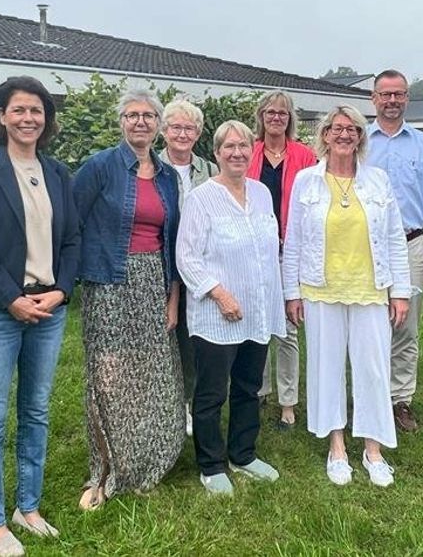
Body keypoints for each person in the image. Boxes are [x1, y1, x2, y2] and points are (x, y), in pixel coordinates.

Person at [0, 76, 80, 557]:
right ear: (2, 116)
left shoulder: (58, 173)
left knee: (36, 411)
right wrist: (11, 298)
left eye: (37, 110)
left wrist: (62, 291)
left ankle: (27, 507)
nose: (29, 118)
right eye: (19, 109)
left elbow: (72, 240)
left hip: (48, 309)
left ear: (46, 119)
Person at [282, 106, 410, 487]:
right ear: (325, 135)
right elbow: (294, 239)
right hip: (320, 289)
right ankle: (336, 447)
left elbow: (394, 237)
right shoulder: (306, 181)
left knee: (373, 369)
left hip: (370, 289)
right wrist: (292, 293)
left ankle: (373, 450)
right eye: (337, 128)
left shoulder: (378, 181)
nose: (344, 134)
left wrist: (400, 292)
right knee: (327, 366)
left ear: (360, 137)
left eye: (352, 128)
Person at [73, 89, 183, 510]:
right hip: (109, 281)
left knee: (151, 374)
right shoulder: (100, 167)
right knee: (109, 376)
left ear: (158, 124)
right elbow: (71, 221)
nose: (140, 122)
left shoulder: (167, 176)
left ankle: (145, 463)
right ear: (121, 122)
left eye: (148, 116)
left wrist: (172, 299)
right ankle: (104, 471)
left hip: (155, 281)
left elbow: (171, 240)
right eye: (132, 115)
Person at [176, 119, 287, 495]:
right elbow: (186, 257)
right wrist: (220, 294)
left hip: (256, 311)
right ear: (217, 153)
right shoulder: (201, 198)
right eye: (229, 147)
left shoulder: (261, 193)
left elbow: (268, 250)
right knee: (211, 393)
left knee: (248, 387)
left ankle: (243, 454)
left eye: (243, 146)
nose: (237, 153)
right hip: (216, 315)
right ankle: (211, 465)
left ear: (251, 151)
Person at [364, 69, 423, 432]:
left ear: (407, 98)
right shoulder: (360, 140)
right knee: (368, 325)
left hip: (412, 243)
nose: (392, 100)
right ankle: (369, 397)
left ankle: (400, 399)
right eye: (385, 94)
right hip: (365, 247)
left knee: (405, 326)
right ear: (374, 99)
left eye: (398, 94)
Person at [246, 89, 316, 430]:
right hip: (255, 249)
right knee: (258, 322)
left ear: (290, 119)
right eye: (270, 112)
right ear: (261, 117)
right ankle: (258, 390)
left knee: (288, 327)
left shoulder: (304, 155)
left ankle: (288, 402)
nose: (276, 117)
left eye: (282, 113)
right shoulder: (249, 152)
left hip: (291, 249)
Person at [158, 99, 219, 436]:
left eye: (189, 128)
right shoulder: (152, 167)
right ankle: (169, 404)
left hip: (200, 267)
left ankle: (195, 403)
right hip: (162, 264)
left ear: (198, 133)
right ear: (164, 131)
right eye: (176, 127)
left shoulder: (210, 170)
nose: (182, 134)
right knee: (167, 338)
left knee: (196, 341)